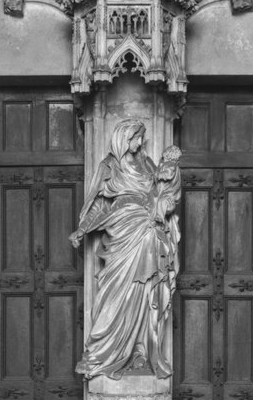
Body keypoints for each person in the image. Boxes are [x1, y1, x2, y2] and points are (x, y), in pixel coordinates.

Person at [70, 120, 180, 379]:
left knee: (143, 292)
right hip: (120, 234)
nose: (140, 143)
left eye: (142, 138)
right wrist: (82, 229)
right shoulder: (110, 166)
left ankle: (137, 352)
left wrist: (166, 202)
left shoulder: (148, 165)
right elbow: (99, 205)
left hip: (146, 234)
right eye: (136, 138)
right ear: (124, 138)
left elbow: (162, 191)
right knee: (113, 293)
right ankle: (99, 353)